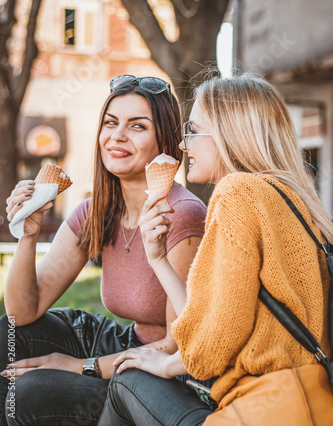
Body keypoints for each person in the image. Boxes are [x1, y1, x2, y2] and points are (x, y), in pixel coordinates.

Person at [97, 72, 333, 426]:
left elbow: (212, 348)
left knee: (129, 377)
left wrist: (165, 363)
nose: (182, 145)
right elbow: (211, 317)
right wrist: (158, 258)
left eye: (192, 131)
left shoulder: (236, 193)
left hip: (258, 412)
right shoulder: (289, 199)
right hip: (305, 404)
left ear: (227, 133)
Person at [0, 74, 207, 426]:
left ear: (166, 140)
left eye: (137, 126)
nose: (118, 136)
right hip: (122, 340)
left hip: (163, 374)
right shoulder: (96, 211)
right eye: (111, 123)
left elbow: (176, 347)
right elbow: (24, 310)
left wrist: (77, 366)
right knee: (8, 335)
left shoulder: (181, 215)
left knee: (31, 392)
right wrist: (28, 234)